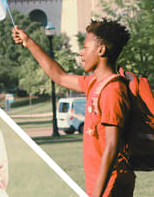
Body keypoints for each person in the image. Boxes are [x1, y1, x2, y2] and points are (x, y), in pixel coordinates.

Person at [12, 19, 134, 197]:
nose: (81, 53)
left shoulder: (112, 90)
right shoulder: (94, 83)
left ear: (101, 50)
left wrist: (98, 194)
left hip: (111, 186)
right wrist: (28, 42)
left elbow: (112, 145)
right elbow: (59, 76)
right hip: (101, 187)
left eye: (85, 47)